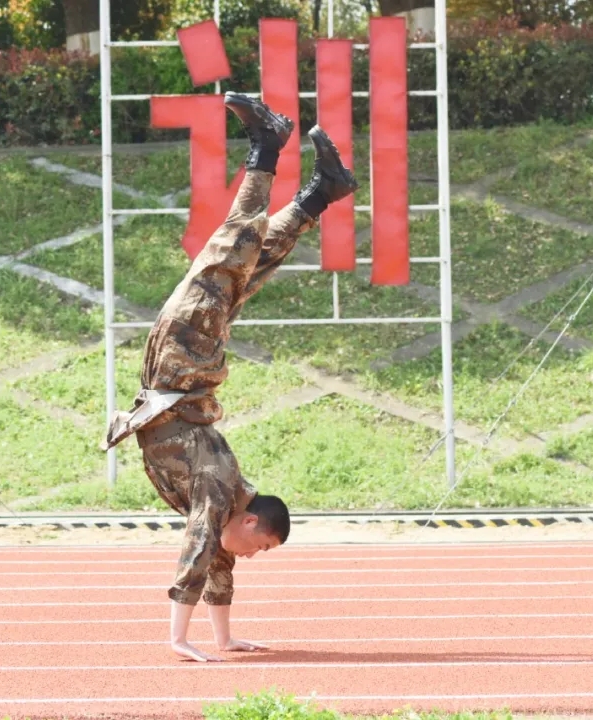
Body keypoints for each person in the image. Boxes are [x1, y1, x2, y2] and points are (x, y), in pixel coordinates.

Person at [101, 92, 358, 662]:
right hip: (182, 358)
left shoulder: (225, 508)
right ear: (247, 519)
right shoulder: (219, 491)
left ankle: (320, 194)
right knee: (227, 255)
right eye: (259, 545)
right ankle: (266, 148)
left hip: (185, 371)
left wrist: (223, 640)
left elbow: (215, 562)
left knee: (244, 267)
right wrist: (177, 639)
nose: (251, 555)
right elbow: (197, 551)